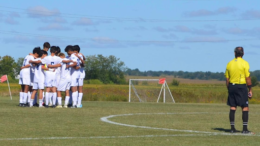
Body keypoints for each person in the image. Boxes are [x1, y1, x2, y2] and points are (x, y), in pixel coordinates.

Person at [225, 47, 253, 134]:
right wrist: (250, 89)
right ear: (243, 53)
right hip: (241, 86)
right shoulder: (245, 63)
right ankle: (244, 129)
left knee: (233, 106)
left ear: (235, 53)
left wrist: (229, 88)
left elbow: (227, 79)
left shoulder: (229, 63)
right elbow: (247, 78)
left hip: (232, 86)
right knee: (245, 107)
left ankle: (232, 129)